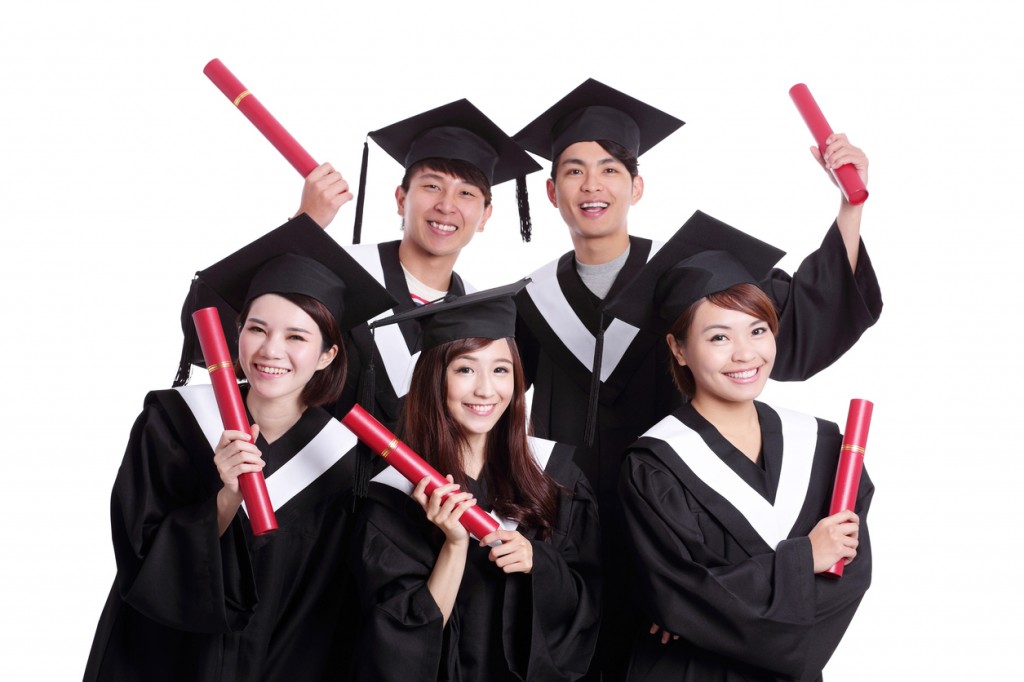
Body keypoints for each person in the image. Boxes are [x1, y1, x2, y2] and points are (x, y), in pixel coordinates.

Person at [510, 78, 882, 679]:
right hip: (575, 552)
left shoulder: (689, 276)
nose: (592, 185)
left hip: (689, 543)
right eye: (574, 171)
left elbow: (791, 330)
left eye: (610, 169)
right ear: (551, 191)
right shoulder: (532, 300)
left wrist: (850, 207)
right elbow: (484, 398)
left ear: (637, 186)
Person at [84, 215, 397, 681]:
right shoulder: (171, 423)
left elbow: (343, 604)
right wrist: (224, 501)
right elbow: (140, 556)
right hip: (165, 662)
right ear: (237, 331)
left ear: (327, 355)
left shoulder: (345, 461)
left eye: (297, 337)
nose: (271, 350)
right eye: (257, 329)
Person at [607, 212, 872, 680]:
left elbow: (849, 578)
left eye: (758, 330)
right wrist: (804, 560)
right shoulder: (654, 465)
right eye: (719, 337)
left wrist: (716, 609)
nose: (745, 353)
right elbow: (680, 598)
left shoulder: (824, 445)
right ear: (679, 349)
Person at [349, 282, 602, 681]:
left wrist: (539, 564)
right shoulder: (393, 497)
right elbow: (398, 644)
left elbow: (587, 603)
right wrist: (454, 545)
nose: (486, 389)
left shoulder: (556, 477)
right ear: (436, 379)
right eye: (465, 369)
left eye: (500, 370)